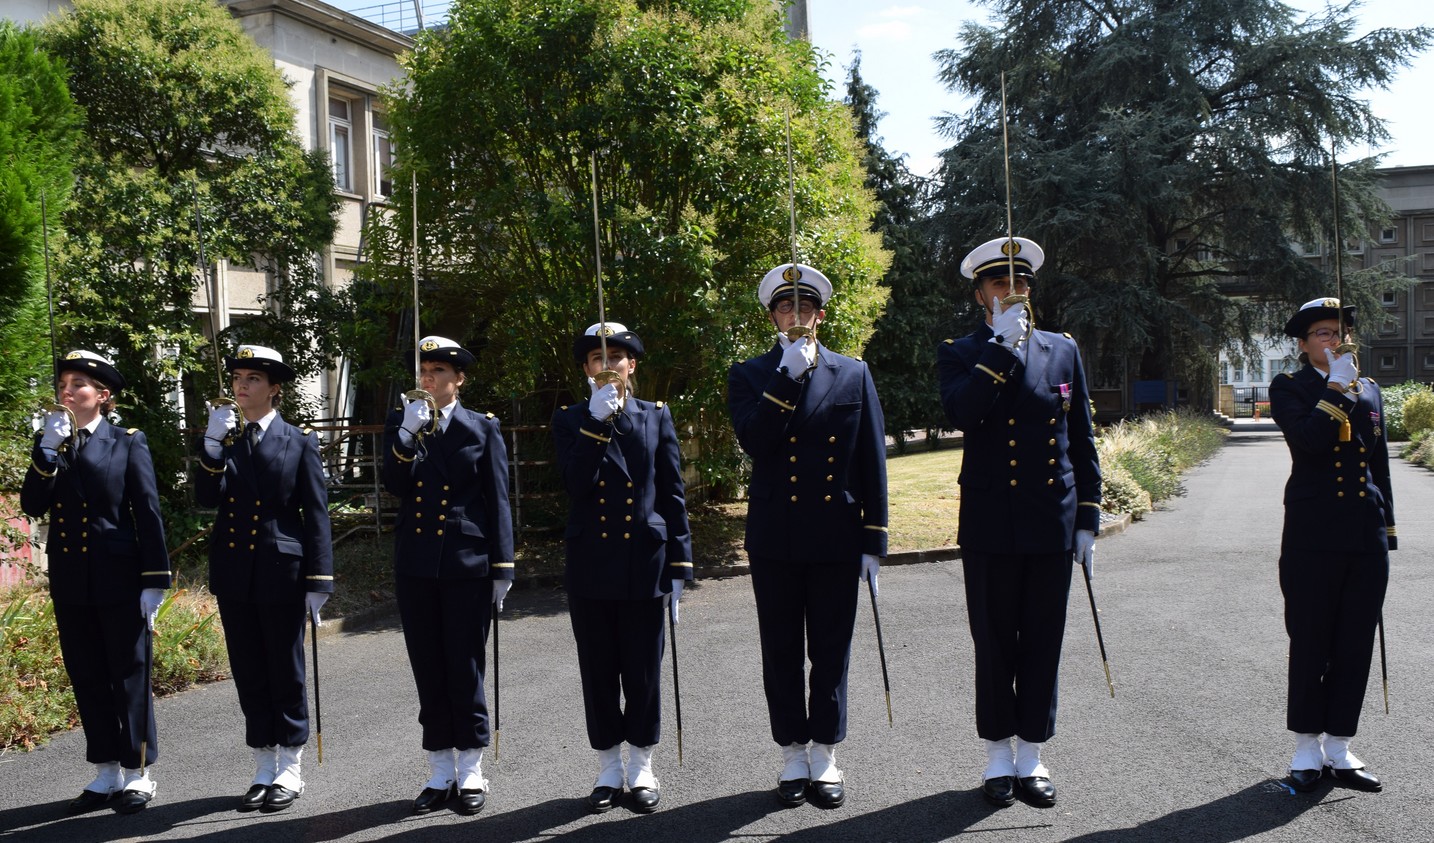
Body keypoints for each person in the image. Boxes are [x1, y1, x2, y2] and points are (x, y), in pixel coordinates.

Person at [936, 236, 1101, 809]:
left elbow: (1080, 436)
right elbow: (963, 412)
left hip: (1050, 520)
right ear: (981, 294)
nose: (1014, 292)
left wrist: (1088, 515)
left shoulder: (1062, 350)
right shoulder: (960, 351)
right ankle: (996, 757)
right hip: (988, 523)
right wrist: (999, 352)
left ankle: (1031, 755)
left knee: (1042, 643)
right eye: (1000, 283)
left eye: (1021, 283)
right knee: (994, 643)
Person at [726, 263, 888, 809]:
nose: (795, 316)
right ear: (772, 315)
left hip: (836, 535)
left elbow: (870, 458)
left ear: (820, 314)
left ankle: (826, 754)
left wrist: (874, 538)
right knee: (781, 651)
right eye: (784, 308)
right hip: (775, 536)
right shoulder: (750, 373)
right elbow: (756, 442)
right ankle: (792, 754)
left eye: (804, 308)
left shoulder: (852, 372)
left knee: (831, 650)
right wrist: (785, 379)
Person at [551, 321, 693, 814]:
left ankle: (643, 764)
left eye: (616, 357)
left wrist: (680, 563)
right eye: (596, 359)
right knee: (598, 669)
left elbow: (672, 492)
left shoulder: (656, 415)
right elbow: (576, 482)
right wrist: (594, 423)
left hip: (644, 562)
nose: (606, 365)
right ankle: (609, 766)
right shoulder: (571, 419)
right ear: (587, 371)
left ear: (632, 366)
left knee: (643, 670)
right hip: (592, 562)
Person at [20, 350, 171, 814]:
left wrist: (155, 580)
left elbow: (146, 512)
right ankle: (106, 769)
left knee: (128, 675)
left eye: (78, 385)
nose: (67, 391)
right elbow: (32, 505)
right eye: (63, 383)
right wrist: (46, 452)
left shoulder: (127, 441)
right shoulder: (52, 443)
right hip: (71, 578)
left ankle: (139, 772)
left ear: (102, 396)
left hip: (120, 576)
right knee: (86, 674)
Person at [194, 345, 332, 811]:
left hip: (281, 569)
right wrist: (211, 447)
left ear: (274, 388)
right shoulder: (225, 440)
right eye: (237, 377)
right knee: (249, 669)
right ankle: (262, 763)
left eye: (253, 378)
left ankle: (289, 766)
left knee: (284, 669)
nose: (241, 386)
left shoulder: (299, 440)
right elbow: (206, 499)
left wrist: (319, 579)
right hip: (235, 571)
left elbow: (315, 514)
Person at [381, 335, 514, 816]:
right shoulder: (406, 423)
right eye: (424, 371)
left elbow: (496, 498)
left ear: (458, 379)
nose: (428, 379)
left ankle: (472, 767)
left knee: (464, 664)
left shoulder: (482, 427)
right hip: (416, 561)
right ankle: (439, 768)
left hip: (465, 562)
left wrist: (503, 566)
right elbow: (393, 486)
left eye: (438, 372)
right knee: (428, 665)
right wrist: (403, 438)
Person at [1269, 297, 1395, 794]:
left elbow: (1378, 463)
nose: (1333, 340)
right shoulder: (1290, 387)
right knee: (1311, 637)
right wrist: (1337, 388)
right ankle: (1305, 746)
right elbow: (1309, 442)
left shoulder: (1372, 389)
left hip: (1364, 533)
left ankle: (1340, 745)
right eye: (1322, 333)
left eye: (1338, 332)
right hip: (1313, 533)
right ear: (1303, 345)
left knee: (1354, 641)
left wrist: (1388, 529)